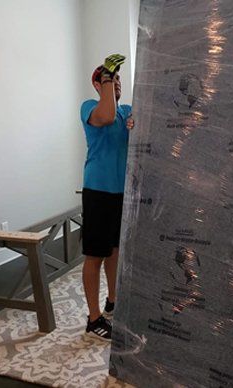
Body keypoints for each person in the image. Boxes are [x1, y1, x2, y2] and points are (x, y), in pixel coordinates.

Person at [79, 56, 134, 340]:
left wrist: (136, 124)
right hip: (98, 191)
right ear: (99, 86)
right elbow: (107, 116)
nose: (116, 85)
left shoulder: (127, 111)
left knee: (114, 251)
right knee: (96, 255)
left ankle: (113, 300)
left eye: (119, 80)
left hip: (120, 192)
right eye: (110, 81)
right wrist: (107, 80)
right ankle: (94, 317)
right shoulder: (89, 108)